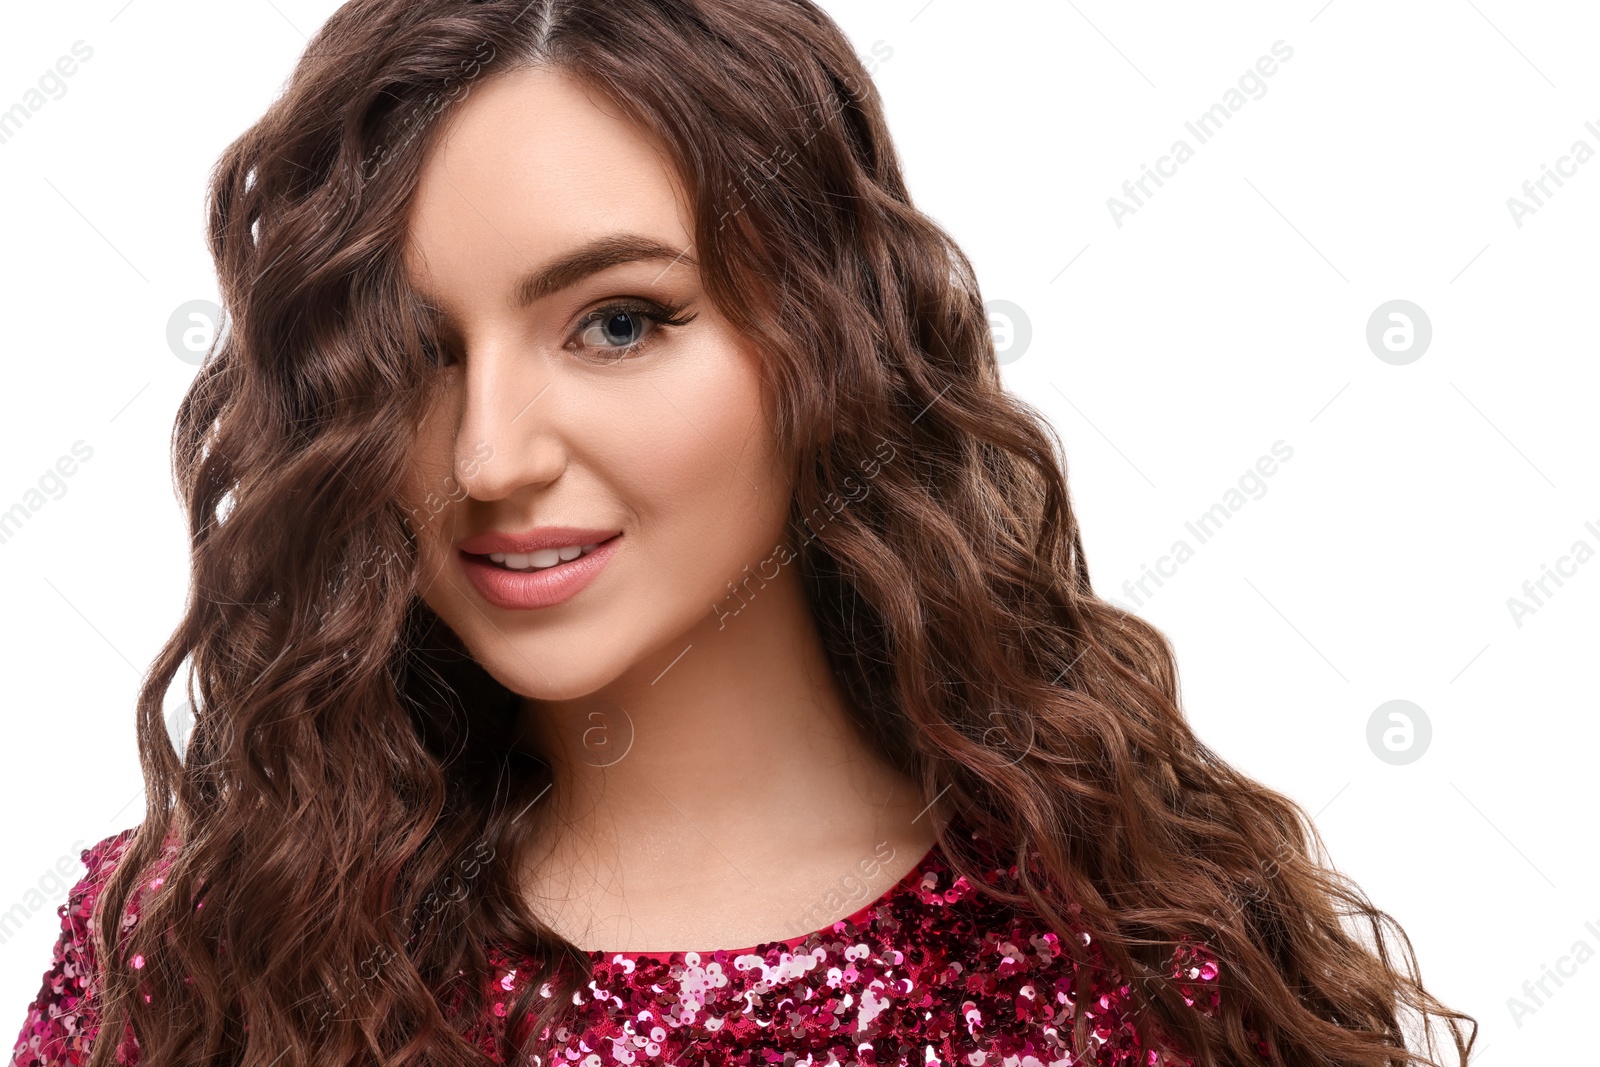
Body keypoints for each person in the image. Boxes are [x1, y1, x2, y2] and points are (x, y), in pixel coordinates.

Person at [9, 1, 1476, 1065]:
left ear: (826, 342)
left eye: (619, 322)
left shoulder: (1145, 973)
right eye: (417, 352)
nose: (490, 453)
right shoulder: (188, 956)